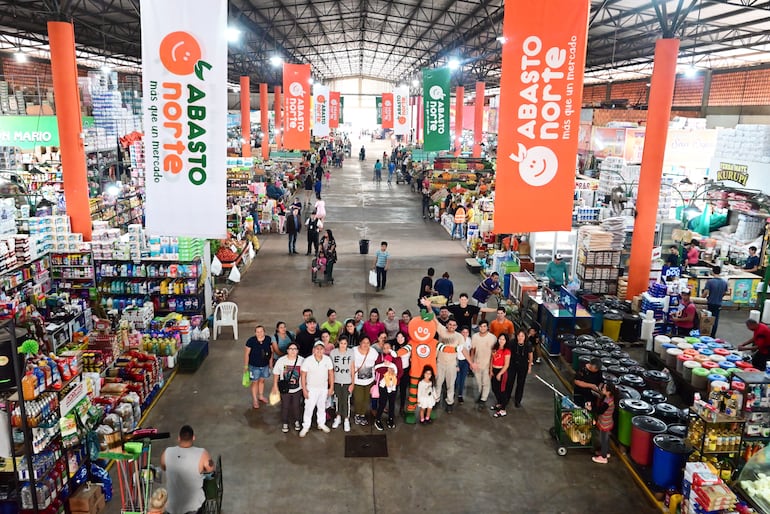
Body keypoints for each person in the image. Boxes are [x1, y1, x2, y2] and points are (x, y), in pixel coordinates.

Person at [160, 425, 214, 514]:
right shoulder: (202, 453)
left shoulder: (167, 452)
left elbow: (163, 467)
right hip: (193, 507)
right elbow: (210, 469)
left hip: (172, 507)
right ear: (193, 438)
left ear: (178, 438)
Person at [434, 318, 471, 413]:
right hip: (440, 362)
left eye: (454, 325)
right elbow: (434, 319)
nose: (452, 326)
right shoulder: (442, 330)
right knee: (438, 383)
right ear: (447, 325)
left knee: (450, 385)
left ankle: (449, 403)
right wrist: (429, 307)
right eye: (450, 324)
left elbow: (463, 350)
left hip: (452, 364)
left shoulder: (459, 337)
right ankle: (436, 400)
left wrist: (471, 363)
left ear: (456, 327)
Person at [299, 341, 334, 437]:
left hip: (323, 388)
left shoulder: (327, 359)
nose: (319, 351)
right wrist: (304, 390)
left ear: (324, 350)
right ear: (313, 350)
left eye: (321, 349)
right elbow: (303, 376)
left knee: (322, 407)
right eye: (317, 348)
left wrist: (331, 387)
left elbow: (331, 373)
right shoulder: (307, 360)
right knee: (309, 408)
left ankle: (321, 423)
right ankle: (306, 426)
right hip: (311, 388)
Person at [271, 342, 304, 433]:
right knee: (285, 406)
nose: (293, 351)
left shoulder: (302, 360)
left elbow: (305, 374)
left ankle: (297, 421)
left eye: (295, 349)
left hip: (297, 388)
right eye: (291, 349)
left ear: (297, 351)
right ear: (287, 350)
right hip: (285, 388)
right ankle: (285, 422)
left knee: (296, 406)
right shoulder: (281, 360)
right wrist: (274, 386)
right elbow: (276, 373)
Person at [373, 340, 402, 430]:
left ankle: (391, 419)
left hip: (393, 385)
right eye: (384, 348)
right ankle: (377, 420)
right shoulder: (380, 357)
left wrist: (394, 377)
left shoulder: (397, 358)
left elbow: (400, 371)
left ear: (392, 348)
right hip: (383, 385)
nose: (386, 350)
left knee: (392, 403)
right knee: (382, 403)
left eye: (388, 348)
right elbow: (377, 369)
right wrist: (387, 371)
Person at [243, 325, 273, 409]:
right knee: (255, 382)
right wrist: (245, 366)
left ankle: (261, 396)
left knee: (262, 381)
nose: (260, 333)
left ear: (264, 332)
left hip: (265, 365)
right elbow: (246, 354)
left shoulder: (268, 339)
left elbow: (271, 352)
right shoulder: (251, 341)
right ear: (255, 333)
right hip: (254, 366)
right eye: (258, 332)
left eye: (261, 331)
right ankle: (255, 400)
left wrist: (270, 363)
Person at [352, 337, 379, 426]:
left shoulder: (373, 352)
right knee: (358, 399)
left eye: (368, 342)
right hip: (357, 381)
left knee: (366, 399)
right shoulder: (354, 351)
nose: (366, 345)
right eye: (364, 342)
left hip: (369, 381)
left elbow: (377, 363)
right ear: (359, 342)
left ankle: (362, 415)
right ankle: (357, 414)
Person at [471, 320, 497, 410]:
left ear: (487, 327)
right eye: (481, 326)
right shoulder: (475, 337)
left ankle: (483, 399)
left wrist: (492, 366)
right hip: (477, 363)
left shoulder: (492, 338)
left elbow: (494, 351)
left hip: (487, 364)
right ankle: (481, 394)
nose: (483, 328)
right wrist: (472, 362)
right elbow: (473, 350)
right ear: (478, 327)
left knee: (486, 382)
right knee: (479, 382)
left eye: (484, 326)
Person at [330, 336, 354, 432]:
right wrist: (331, 382)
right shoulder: (333, 353)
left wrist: (353, 383)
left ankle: (346, 419)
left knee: (346, 400)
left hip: (347, 381)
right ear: (338, 342)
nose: (343, 345)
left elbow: (352, 367)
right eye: (341, 343)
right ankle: (338, 416)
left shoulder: (351, 353)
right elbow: (331, 369)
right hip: (336, 380)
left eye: (345, 343)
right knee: (337, 399)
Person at [590, 382, 617, 464]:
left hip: (605, 424)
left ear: (608, 392)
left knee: (603, 440)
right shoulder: (609, 398)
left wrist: (591, 408)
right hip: (607, 422)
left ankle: (603, 457)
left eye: (604, 389)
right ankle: (606, 452)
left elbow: (600, 411)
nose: (602, 389)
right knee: (606, 439)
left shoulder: (607, 402)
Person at [508, 329, 534, 408]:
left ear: (525, 337)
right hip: (512, 365)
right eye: (519, 336)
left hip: (523, 366)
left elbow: (530, 356)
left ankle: (517, 400)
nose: (520, 338)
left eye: (522, 336)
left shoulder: (528, 344)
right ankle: (507, 397)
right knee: (510, 381)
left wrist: (529, 367)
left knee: (521, 383)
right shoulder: (512, 343)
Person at [490, 333, 512, 418]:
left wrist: (500, 373)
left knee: (501, 390)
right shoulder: (495, 348)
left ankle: (503, 409)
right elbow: (492, 360)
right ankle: (499, 403)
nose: (501, 341)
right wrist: (491, 370)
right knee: (494, 388)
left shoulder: (507, 351)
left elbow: (506, 365)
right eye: (500, 339)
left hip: (502, 372)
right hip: (494, 370)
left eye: (503, 339)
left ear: (506, 341)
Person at [703, 266, 728, 337]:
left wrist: (701, 299)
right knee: (715, 320)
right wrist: (720, 297)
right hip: (718, 303)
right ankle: (713, 335)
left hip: (710, 302)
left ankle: (705, 332)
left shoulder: (710, 282)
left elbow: (705, 292)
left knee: (706, 318)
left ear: (712, 272)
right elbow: (725, 292)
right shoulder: (724, 282)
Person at [393, 331, 411, 415]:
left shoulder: (409, 347)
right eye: (398, 337)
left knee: (403, 390)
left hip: (405, 370)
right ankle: (392, 408)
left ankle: (402, 408)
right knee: (394, 390)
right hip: (395, 371)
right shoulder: (394, 347)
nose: (400, 339)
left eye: (402, 337)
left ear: (405, 338)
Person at [455, 326, 472, 404]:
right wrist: (456, 365)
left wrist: (470, 362)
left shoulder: (469, 340)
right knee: (457, 379)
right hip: (458, 361)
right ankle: (453, 392)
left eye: (466, 332)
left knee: (463, 379)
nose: (465, 334)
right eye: (463, 332)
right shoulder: (457, 340)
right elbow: (454, 353)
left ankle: (460, 395)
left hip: (465, 362)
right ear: (460, 333)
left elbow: (470, 351)